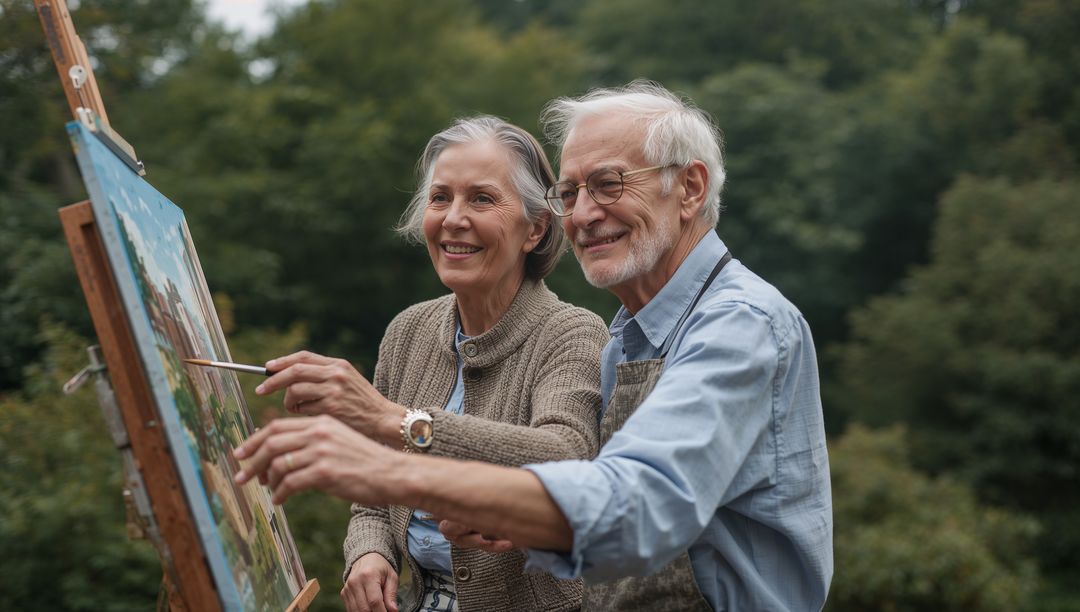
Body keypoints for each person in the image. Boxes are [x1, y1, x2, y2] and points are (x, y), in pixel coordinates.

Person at [236, 81, 834, 611]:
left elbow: (636, 503)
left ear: (690, 188)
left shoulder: (739, 325)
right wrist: (512, 527)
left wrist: (391, 466)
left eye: (607, 184)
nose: (584, 213)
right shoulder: (631, 336)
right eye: (570, 192)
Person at [253, 116, 608, 612]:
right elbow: (372, 498)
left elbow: (565, 455)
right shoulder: (408, 332)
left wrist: (403, 422)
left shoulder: (572, 332)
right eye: (440, 197)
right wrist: (369, 553)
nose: (453, 219)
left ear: (536, 228)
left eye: (481, 199)